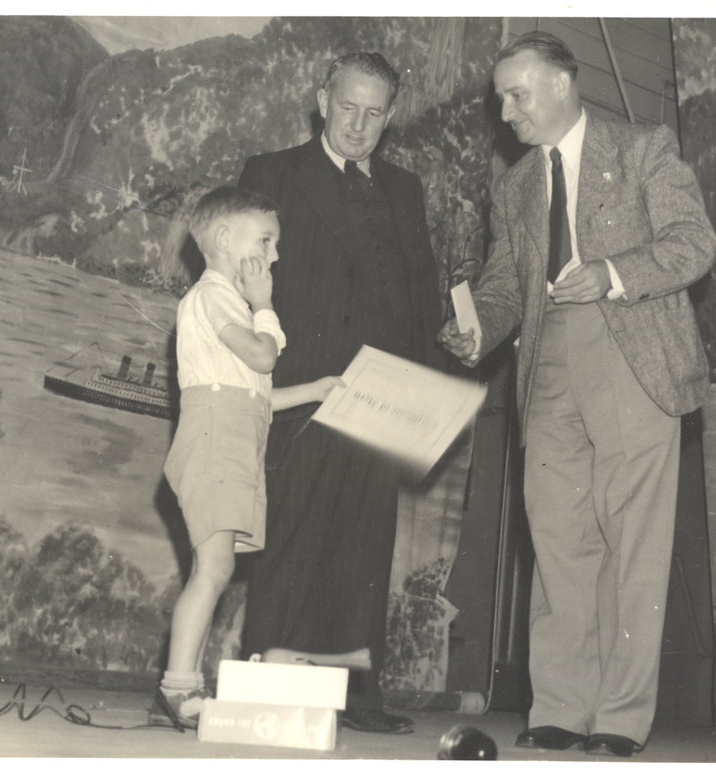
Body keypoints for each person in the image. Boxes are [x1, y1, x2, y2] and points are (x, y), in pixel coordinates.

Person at [439, 32, 716, 757]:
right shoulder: (515, 182)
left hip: (629, 350)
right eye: (500, 95)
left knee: (633, 545)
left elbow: (694, 242)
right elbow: (505, 284)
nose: (504, 111)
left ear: (560, 85)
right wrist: (479, 330)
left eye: (516, 93)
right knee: (558, 540)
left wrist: (611, 272)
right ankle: (560, 705)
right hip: (547, 365)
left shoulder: (642, 147)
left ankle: (621, 717)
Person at [237, 52, 443, 735]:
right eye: (347, 108)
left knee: (363, 547)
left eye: (374, 113)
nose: (358, 126)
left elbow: (417, 293)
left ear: (390, 114)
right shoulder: (271, 173)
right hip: (302, 389)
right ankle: (269, 692)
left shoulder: (405, 189)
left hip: (382, 394)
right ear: (322, 100)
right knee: (291, 541)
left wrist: (425, 385)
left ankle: (356, 696)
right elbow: (238, 287)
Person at [155, 185, 342, 730]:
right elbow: (262, 357)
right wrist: (265, 304)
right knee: (211, 567)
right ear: (222, 239)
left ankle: (184, 681)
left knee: (215, 566)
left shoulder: (226, 304)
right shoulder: (213, 297)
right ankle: (179, 686)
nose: (275, 256)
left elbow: (257, 395)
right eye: (266, 241)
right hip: (216, 440)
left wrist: (314, 390)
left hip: (233, 434)